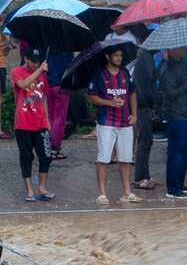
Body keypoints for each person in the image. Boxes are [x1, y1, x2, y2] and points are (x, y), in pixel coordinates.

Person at [86, 43, 141, 205]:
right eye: (116, 55)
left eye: (120, 56)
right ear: (107, 57)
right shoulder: (99, 74)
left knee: (125, 158)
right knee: (103, 158)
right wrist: (109, 102)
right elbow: (92, 97)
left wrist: (134, 114)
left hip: (125, 122)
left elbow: (132, 93)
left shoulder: (125, 73)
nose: (119, 58)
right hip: (106, 122)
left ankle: (127, 192)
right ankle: (102, 194)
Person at [12, 46, 54, 202]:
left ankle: (42, 187)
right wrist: (40, 70)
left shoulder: (43, 76)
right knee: (26, 156)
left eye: (38, 62)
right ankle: (29, 190)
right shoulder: (16, 71)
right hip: (23, 122)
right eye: (33, 61)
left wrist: (47, 119)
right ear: (25, 59)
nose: (36, 64)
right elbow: (23, 85)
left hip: (40, 122)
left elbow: (43, 97)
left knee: (46, 156)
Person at [159, 48, 187, 200]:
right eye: (180, 47)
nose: (183, 50)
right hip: (175, 116)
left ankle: (180, 183)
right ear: (172, 49)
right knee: (176, 153)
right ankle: (172, 188)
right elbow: (170, 93)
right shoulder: (167, 69)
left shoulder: (183, 65)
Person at [131, 42, 158, 190]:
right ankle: (140, 178)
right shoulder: (146, 55)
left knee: (146, 140)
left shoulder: (144, 54)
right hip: (142, 104)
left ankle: (144, 176)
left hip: (143, 103)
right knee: (145, 140)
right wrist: (165, 60)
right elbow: (153, 74)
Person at [46, 50, 73, 159]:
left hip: (49, 84)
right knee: (59, 119)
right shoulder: (68, 50)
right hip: (62, 86)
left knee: (50, 117)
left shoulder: (49, 48)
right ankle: (55, 148)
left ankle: (46, 146)